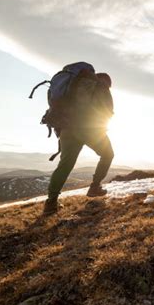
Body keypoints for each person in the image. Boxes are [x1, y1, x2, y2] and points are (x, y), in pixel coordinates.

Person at [43, 71, 115, 215]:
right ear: (106, 82)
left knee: (65, 165)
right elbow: (108, 111)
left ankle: (51, 203)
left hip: (67, 129)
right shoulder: (101, 87)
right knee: (108, 154)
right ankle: (94, 187)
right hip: (90, 129)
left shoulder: (72, 87)